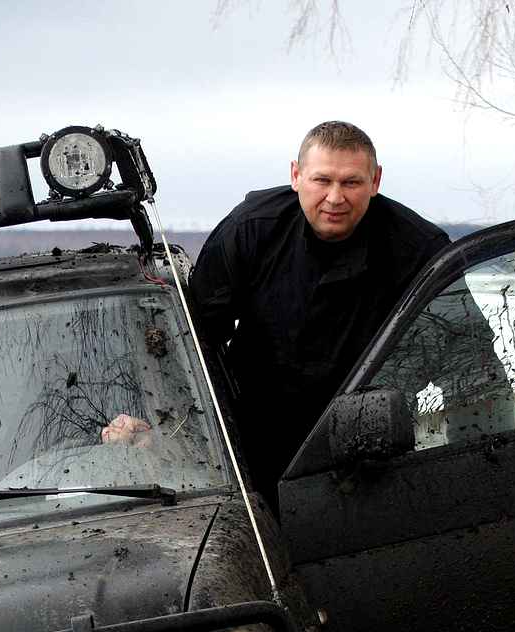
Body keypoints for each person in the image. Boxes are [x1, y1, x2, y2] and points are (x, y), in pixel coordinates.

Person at [178, 121, 460, 498]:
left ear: (375, 181)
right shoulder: (249, 229)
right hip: (252, 440)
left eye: (351, 183)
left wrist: (479, 457)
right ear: (296, 176)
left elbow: (466, 353)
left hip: (370, 444)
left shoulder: (419, 248)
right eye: (321, 180)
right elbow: (193, 342)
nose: (334, 198)